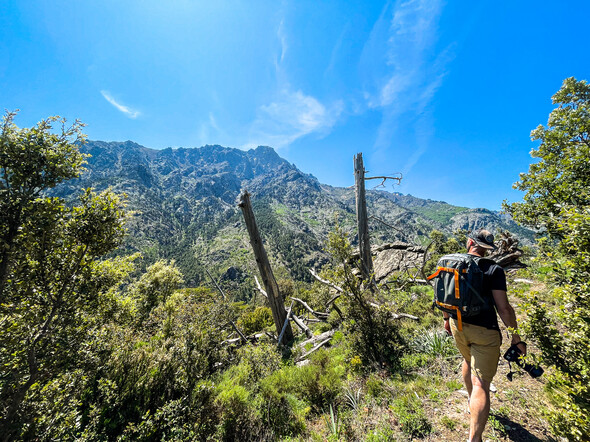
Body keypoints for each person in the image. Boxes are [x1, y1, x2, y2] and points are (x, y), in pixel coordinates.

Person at [442, 229, 526, 442]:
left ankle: (472, 401)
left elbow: (443, 293)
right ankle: (475, 438)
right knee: (481, 384)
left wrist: (446, 319)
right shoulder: (494, 269)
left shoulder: (449, 261)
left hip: (456, 323)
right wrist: (516, 339)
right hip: (484, 331)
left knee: (467, 360)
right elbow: (504, 308)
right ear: (488, 249)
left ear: (470, 242)